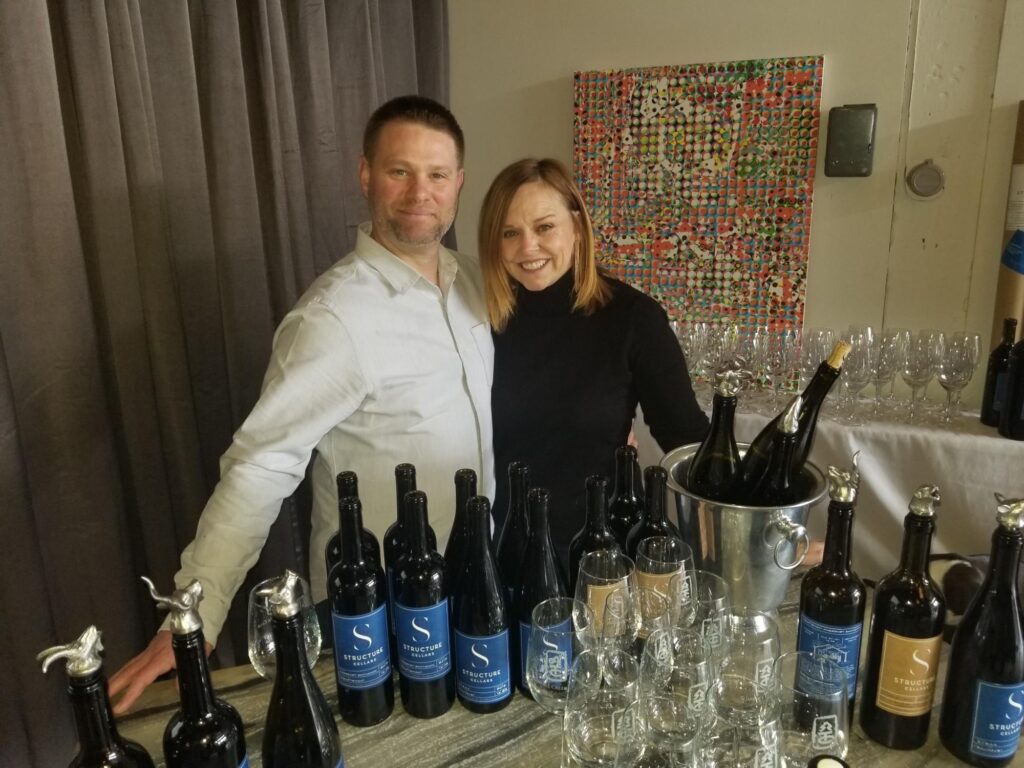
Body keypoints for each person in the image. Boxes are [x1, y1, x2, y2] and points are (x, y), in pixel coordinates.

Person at [109, 96, 494, 712]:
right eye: (400, 171)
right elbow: (261, 466)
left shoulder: (475, 283)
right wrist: (197, 614)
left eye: (437, 174)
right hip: (375, 608)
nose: (420, 191)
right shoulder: (333, 319)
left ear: (459, 184)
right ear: (366, 175)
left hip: (473, 583)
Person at [479, 158, 708, 571]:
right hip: (503, 552)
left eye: (544, 227)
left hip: (602, 553)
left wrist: (762, 523)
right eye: (509, 233)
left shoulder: (633, 318)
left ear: (577, 227)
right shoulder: (479, 320)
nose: (527, 247)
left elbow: (689, 442)